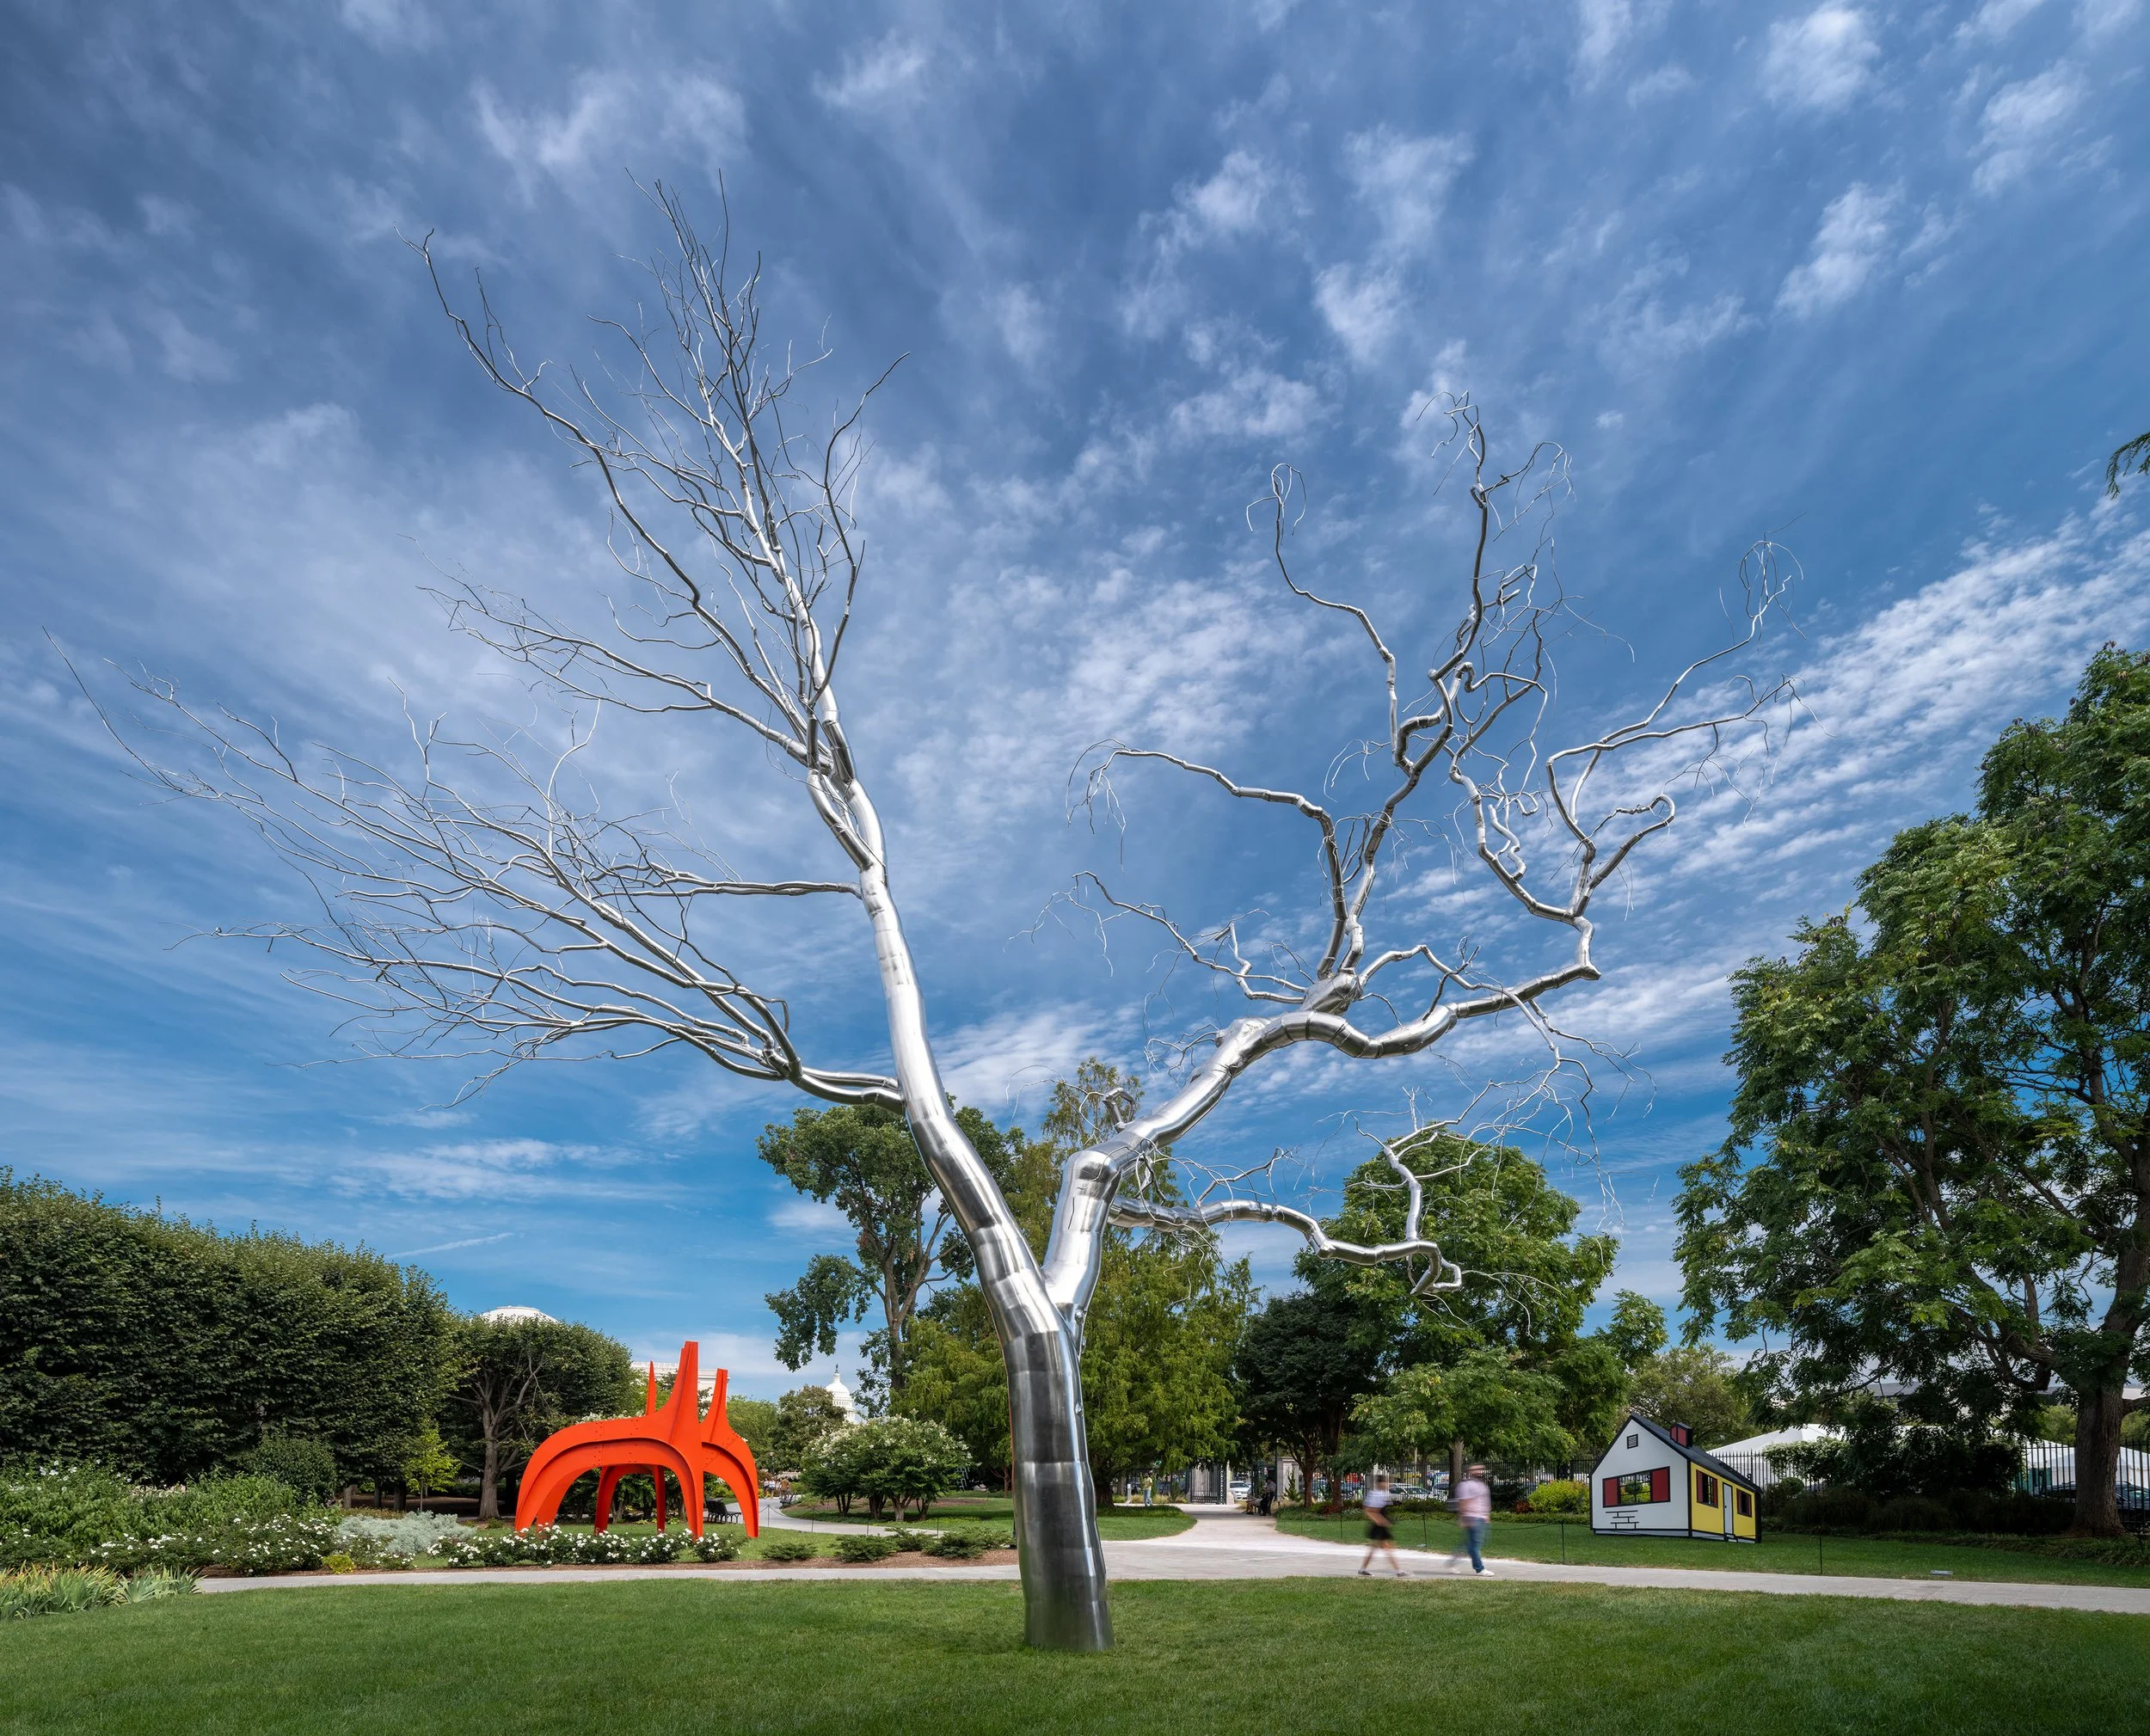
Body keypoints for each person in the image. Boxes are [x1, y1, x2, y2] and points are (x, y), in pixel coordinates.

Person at [1358, 1472, 1406, 1577]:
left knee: (1375, 1548)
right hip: (1378, 1526)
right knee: (1386, 1548)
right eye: (1385, 1482)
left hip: (1381, 1526)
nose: (1388, 1484)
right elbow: (1369, 1510)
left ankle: (1363, 1569)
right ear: (1380, 1483)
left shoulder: (1383, 1493)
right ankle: (1399, 1571)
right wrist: (1379, 1521)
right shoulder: (1376, 1494)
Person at [1450, 1463, 1493, 1575]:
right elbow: (1463, 1502)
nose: (1479, 1471)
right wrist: (1463, 1519)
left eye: (1481, 1469)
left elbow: (1484, 1501)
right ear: (1470, 1472)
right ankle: (1479, 1568)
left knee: (1470, 1544)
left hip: (1482, 1518)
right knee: (1475, 1545)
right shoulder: (1466, 1485)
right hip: (1471, 1517)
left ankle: (1454, 1561)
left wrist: (1486, 1516)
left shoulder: (1482, 1485)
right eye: (1476, 1469)